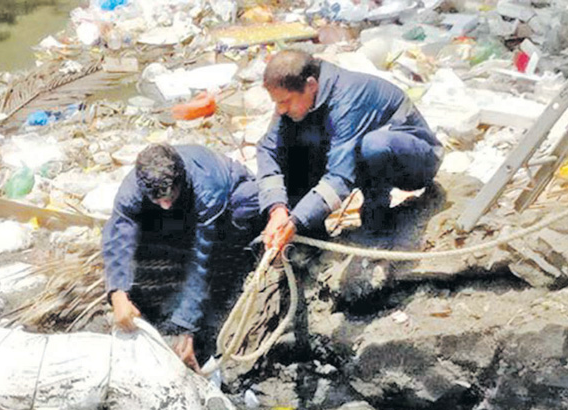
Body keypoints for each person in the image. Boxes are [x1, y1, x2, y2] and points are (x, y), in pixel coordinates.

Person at [257, 50, 444, 251]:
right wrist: (277, 208)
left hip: (414, 159)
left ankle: (378, 222)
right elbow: (268, 149)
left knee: (374, 146)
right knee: (295, 145)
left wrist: (297, 220)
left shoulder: (347, 99)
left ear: (311, 86)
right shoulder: (296, 98)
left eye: (285, 102)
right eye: (277, 103)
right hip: (363, 154)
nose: (281, 110)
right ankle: (310, 240)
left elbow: (340, 177)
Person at [102, 144, 260, 371]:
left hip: (231, 201)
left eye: (169, 197)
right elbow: (118, 235)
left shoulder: (207, 188)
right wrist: (117, 292)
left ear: (181, 179)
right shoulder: (133, 189)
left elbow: (202, 260)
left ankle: (237, 262)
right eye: (158, 199)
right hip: (184, 208)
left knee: (228, 239)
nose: (164, 205)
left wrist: (185, 327)